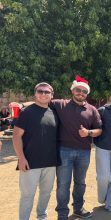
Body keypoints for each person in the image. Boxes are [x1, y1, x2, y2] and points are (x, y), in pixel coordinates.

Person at [13, 75, 103, 219]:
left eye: (84, 91)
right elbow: (41, 101)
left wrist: (88, 132)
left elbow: (99, 130)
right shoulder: (60, 104)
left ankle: (78, 208)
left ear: (87, 94)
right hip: (64, 151)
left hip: (83, 152)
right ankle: (62, 214)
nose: (81, 93)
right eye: (78, 90)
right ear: (73, 91)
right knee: (62, 185)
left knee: (80, 183)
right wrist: (21, 105)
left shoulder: (92, 109)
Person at [12, 82, 59, 220]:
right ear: (35, 94)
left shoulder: (54, 112)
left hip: (50, 162)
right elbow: (16, 136)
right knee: (27, 194)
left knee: (46, 193)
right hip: (30, 162)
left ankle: (42, 216)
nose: (43, 94)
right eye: (40, 91)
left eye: (47, 92)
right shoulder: (26, 112)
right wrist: (21, 158)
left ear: (52, 95)